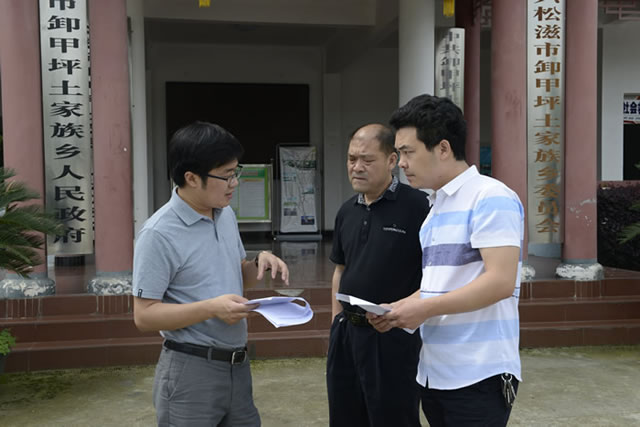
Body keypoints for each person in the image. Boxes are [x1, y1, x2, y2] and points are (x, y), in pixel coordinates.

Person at [368, 94, 524, 426]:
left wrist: (422, 309)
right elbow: (438, 285)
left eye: (408, 152)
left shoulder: (491, 197)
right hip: (435, 372)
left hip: (479, 373)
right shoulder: (435, 207)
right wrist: (398, 309)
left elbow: (500, 281)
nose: (401, 163)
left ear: (442, 148)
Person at [132, 121, 289, 427]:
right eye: (226, 176)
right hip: (190, 370)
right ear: (191, 178)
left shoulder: (224, 213)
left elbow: (237, 275)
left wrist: (260, 262)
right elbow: (144, 316)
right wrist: (211, 309)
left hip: (237, 366)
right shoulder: (158, 234)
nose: (235, 183)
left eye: (235, 172)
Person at [327, 123, 430, 427]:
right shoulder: (347, 211)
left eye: (367, 160)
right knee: (345, 416)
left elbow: (435, 274)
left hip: (393, 337)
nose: (357, 167)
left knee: (393, 418)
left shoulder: (418, 207)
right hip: (347, 335)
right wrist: (336, 323)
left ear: (391, 160)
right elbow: (340, 269)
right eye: (351, 159)